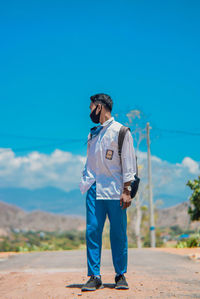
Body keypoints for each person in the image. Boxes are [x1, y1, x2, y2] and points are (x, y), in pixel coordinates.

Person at [79, 93, 137, 291]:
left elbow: (129, 162)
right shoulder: (92, 134)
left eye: (91, 108)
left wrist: (127, 189)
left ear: (100, 107)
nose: (90, 112)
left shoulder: (122, 131)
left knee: (118, 234)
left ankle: (120, 274)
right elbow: (90, 162)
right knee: (92, 232)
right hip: (94, 190)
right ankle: (94, 276)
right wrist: (85, 180)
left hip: (115, 191)